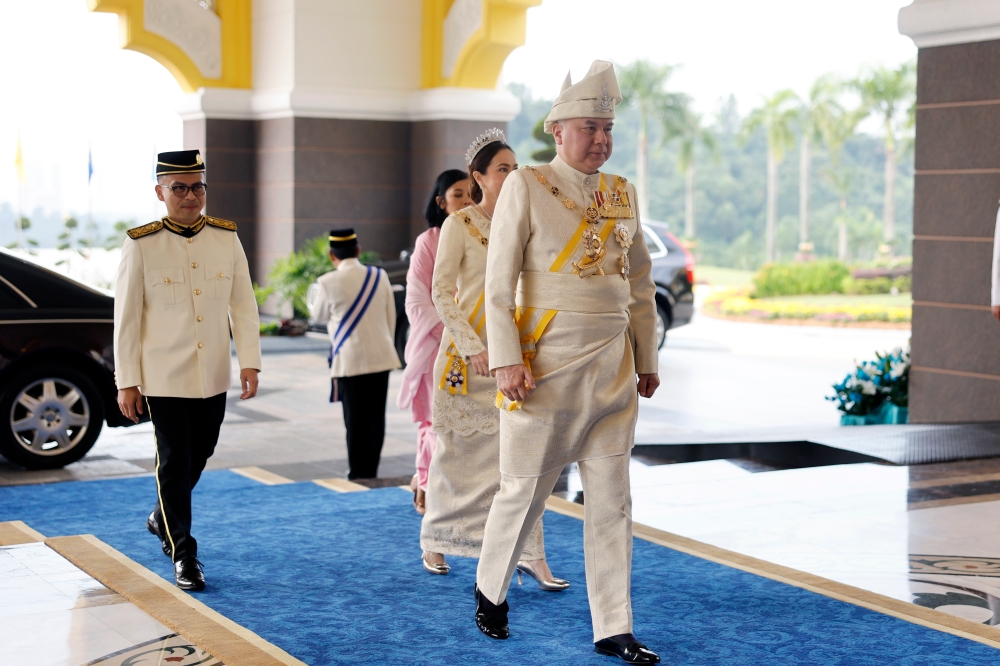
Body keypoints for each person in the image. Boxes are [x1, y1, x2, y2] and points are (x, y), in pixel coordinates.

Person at [474, 62, 661, 665]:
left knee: (613, 499)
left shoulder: (622, 193)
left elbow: (638, 286)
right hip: (544, 364)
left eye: (608, 127)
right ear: (557, 129)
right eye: (589, 126)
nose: (601, 139)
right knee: (523, 487)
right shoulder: (527, 185)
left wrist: (647, 357)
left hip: (613, 366)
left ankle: (614, 625)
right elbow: (497, 286)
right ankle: (490, 590)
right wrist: (505, 360)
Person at [419, 130, 567, 592]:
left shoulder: (524, 222)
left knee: (523, 465)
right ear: (478, 177)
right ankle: (435, 539)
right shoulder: (458, 225)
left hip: (516, 360)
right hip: (468, 361)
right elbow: (442, 292)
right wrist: (473, 347)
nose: (512, 173)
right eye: (502, 168)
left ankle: (531, 555)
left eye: (514, 166)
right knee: (456, 458)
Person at [114, 149, 261, 591]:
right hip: (163, 375)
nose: (190, 195)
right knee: (174, 462)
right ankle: (184, 554)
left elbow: (243, 304)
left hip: (212, 371)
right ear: (161, 192)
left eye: (197, 186)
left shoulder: (226, 237)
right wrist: (128, 380)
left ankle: (162, 514)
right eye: (179, 188)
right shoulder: (141, 243)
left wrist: (249, 360)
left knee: (201, 452)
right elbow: (127, 318)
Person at [398, 170, 473, 514]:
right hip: (437, 348)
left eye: (472, 193)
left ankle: (432, 480)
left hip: (479, 350)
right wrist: (455, 333)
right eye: (458, 195)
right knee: (434, 421)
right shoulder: (430, 240)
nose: (467, 201)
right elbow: (417, 300)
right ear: (442, 202)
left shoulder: (486, 235)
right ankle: (426, 483)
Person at [311, 229, 400, 480]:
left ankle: (357, 471)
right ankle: (371, 469)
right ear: (358, 251)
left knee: (355, 420)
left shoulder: (327, 282)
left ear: (332, 255)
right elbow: (389, 318)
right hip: (381, 357)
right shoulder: (378, 275)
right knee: (375, 419)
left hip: (350, 361)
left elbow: (317, 316)